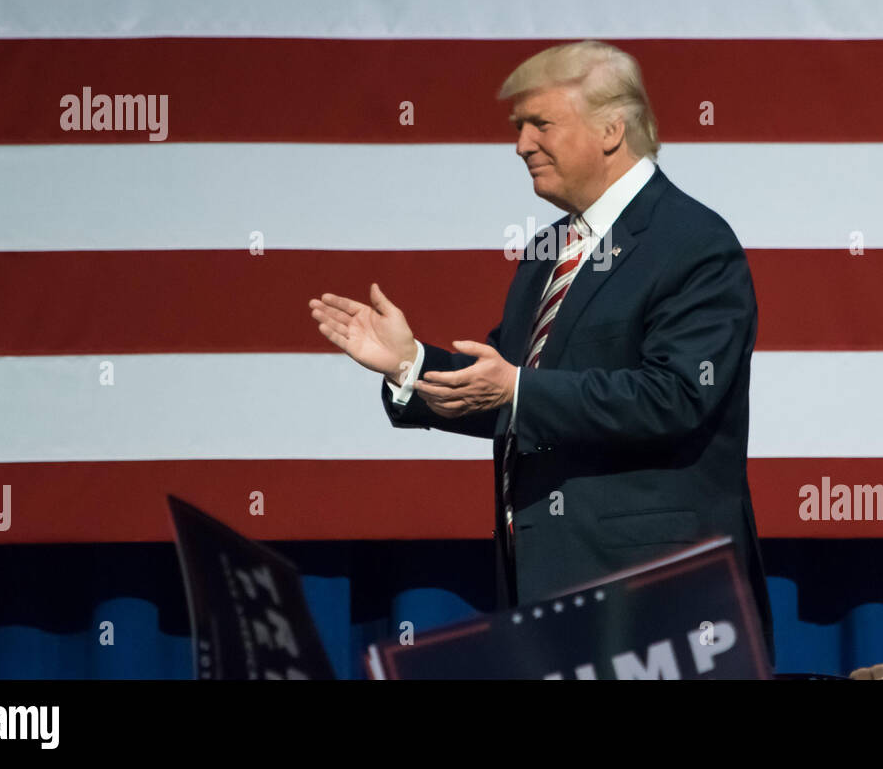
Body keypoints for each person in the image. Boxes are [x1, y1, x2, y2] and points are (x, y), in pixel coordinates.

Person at [309, 40, 776, 670]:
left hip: (657, 606)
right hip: (549, 596)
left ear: (612, 129)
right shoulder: (548, 252)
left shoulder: (693, 243)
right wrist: (410, 364)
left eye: (541, 124)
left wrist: (518, 391)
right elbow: (499, 388)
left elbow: (678, 396)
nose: (522, 144)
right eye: (518, 128)